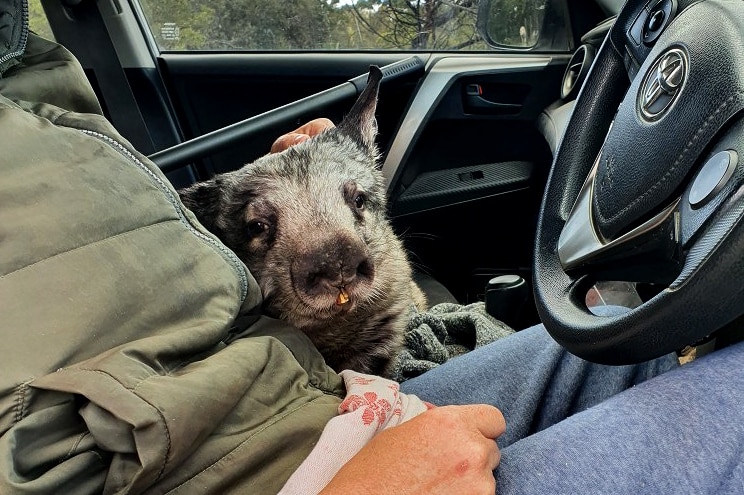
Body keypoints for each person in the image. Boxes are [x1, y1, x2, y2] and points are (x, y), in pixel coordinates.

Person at [2, 3, 744, 493]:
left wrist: (280, 192)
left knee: (641, 336)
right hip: (266, 468)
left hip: (274, 398)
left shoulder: (25, 68)